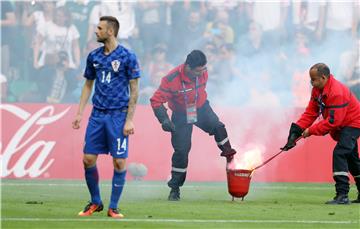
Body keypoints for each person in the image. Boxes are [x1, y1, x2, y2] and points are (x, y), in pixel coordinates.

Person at [72, 16, 140, 218]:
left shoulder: (128, 56)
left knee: (119, 162)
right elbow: (87, 85)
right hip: (97, 115)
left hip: (118, 116)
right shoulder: (94, 56)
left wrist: (129, 119)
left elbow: (134, 90)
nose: (96, 31)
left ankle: (113, 207)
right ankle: (95, 202)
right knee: (88, 159)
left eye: (100, 28)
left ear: (110, 31)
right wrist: (79, 113)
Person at [150, 50, 237, 201]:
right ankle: (174, 189)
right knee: (181, 151)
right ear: (188, 67)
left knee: (218, 127)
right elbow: (156, 100)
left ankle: (229, 155)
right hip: (180, 115)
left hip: (201, 107)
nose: (203, 72)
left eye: (204, 69)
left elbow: (201, 81)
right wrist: (164, 120)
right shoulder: (170, 79)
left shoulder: (203, 72)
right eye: (199, 70)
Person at [282, 63, 360, 204]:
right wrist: (296, 131)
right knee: (352, 159)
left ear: (323, 78)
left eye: (314, 80)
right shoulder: (317, 90)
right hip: (344, 124)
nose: (311, 83)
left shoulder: (337, 93)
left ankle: (342, 195)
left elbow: (333, 122)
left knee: (340, 153)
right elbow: (311, 112)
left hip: (353, 123)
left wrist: (310, 131)